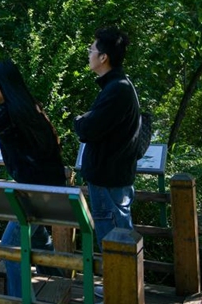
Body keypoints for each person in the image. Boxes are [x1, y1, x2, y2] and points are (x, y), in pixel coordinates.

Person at [0, 59, 65, 298]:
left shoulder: (11, 114)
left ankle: (20, 299)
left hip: (34, 192)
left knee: (10, 248)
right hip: (46, 189)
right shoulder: (26, 107)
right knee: (39, 241)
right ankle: (61, 284)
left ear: (4, 86)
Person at [74, 27, 141, 300]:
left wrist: (79, 120)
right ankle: (121, 284)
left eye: (91, 50)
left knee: (114, 235)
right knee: (119, 233)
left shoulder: (117, 90)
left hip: (109, 178)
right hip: (113, 177)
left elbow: (87, 129)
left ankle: (120, 289)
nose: (88, 54)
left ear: (103, 57)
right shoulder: (118, 87)